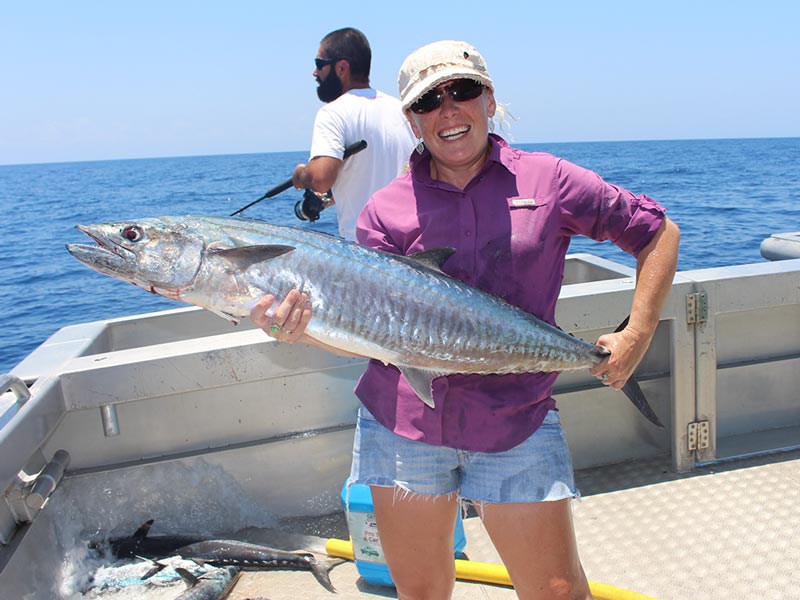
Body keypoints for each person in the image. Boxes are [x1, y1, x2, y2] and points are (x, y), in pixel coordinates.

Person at [252, 40, 680, 600]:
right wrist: (302, 328)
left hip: (515, 420)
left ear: (490, 100)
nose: (448, 109)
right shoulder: (385, 210)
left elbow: (658, 234)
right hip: (403, 425)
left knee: (557, 591)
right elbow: (372, 336)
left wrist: (636, 336)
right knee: (421, 592)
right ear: (411, 119)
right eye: (429, 100)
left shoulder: (550, 180)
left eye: (463, 91)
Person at [291, 27, 416, 241]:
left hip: (366, 251)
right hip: (410, 246)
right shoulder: (403, 112)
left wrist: (302, 174)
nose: (315, 72)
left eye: (319, 64)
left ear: (341, 68)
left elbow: (320, 178)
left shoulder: (333, 113)